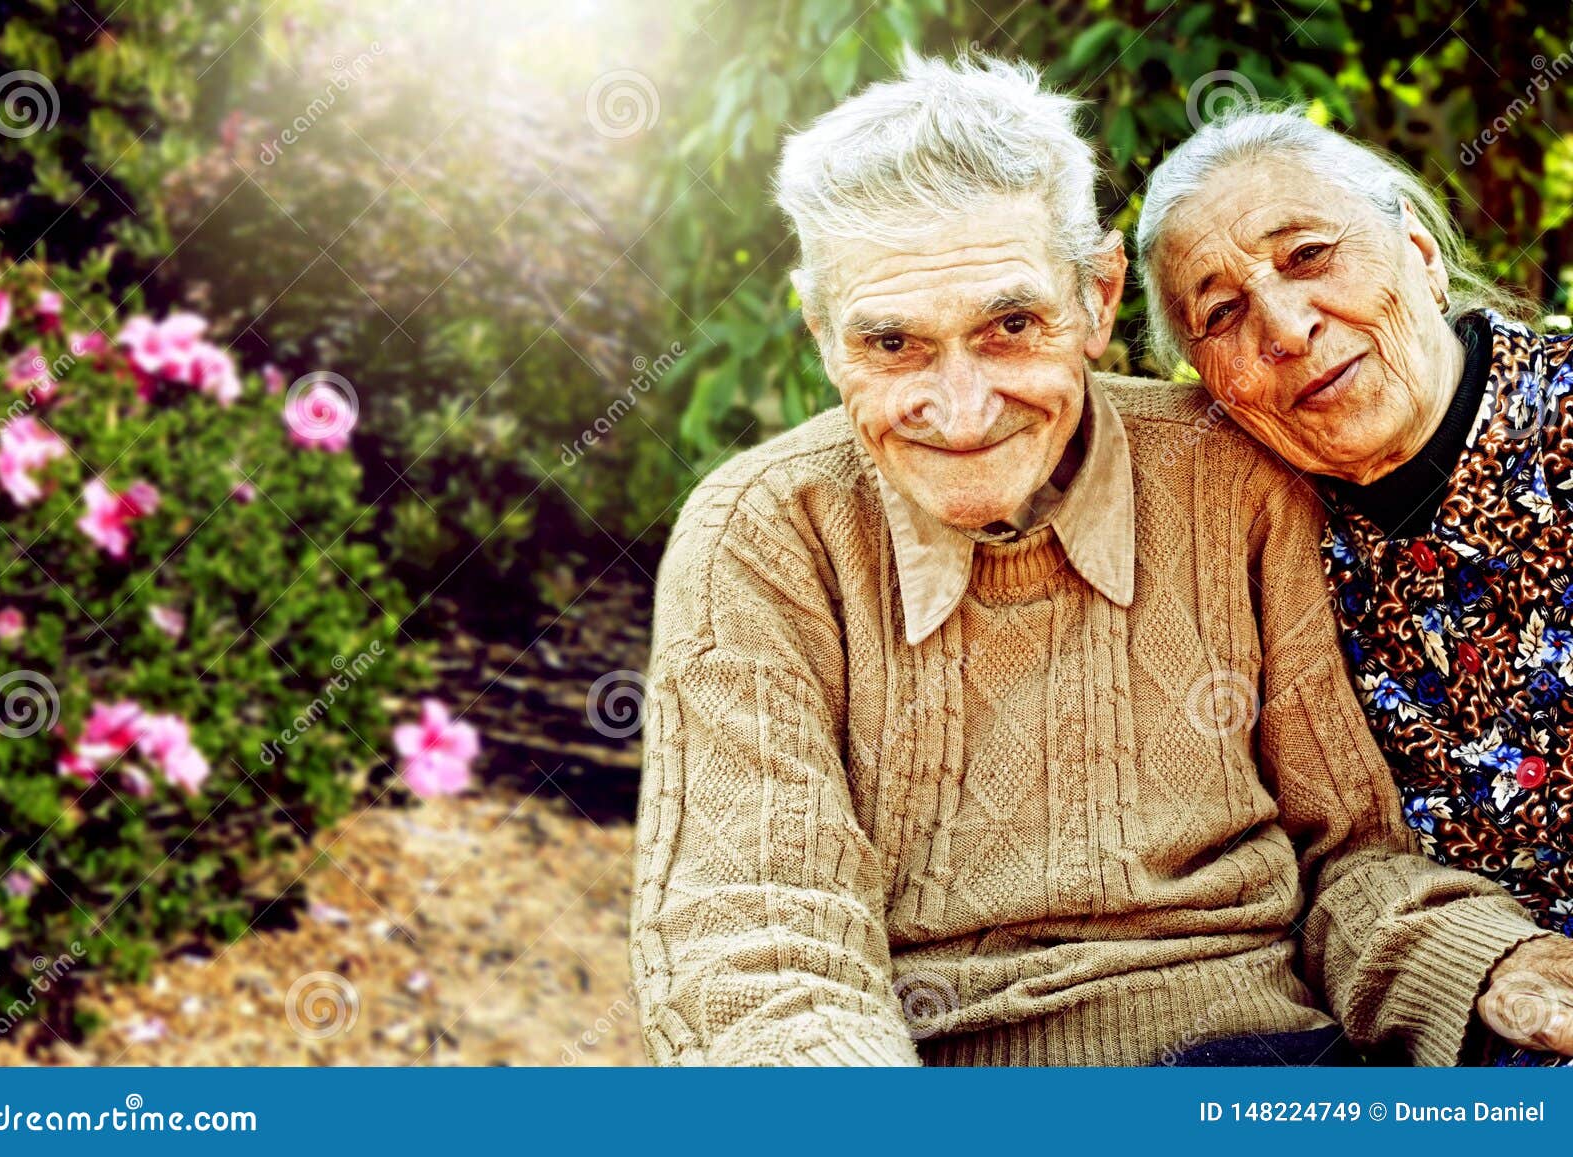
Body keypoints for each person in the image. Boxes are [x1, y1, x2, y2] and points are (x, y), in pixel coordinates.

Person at [629, 54, 1573, 1067]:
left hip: (1267, 1065)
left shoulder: (1226, 477)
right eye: (893, 342)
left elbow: (1349, 859)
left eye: (1011, 324)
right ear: (823, 338)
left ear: (1096, 297)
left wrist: (1498, 972)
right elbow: (760, 946)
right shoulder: (767, 531)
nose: (961, 409)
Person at [1135, 107, 1573, 1065]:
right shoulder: (1252, 548)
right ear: (1209, 384)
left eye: (1308, 255)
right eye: (1220, 314)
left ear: (1417, 250)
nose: (1287, 329)